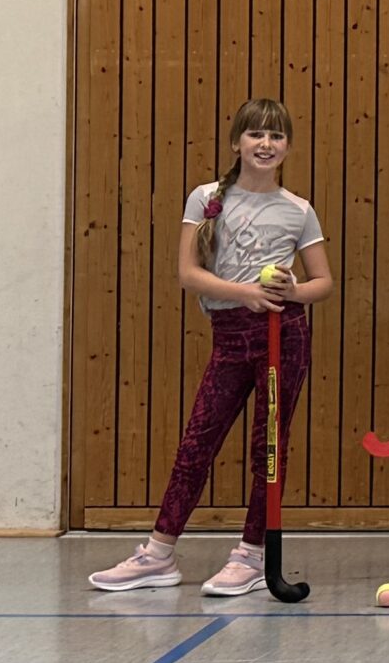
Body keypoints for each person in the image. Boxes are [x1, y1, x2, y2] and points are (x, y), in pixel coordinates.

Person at [90, 98, 337, 597]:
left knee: (268, 447)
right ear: (236, 142)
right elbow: (189, 274)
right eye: (255, 134)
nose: (266, 144)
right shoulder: (205, 198)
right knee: (197, 442)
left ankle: (250, 556)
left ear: (288, 146)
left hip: (283, 336)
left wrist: (292, 291)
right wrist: (245, 293)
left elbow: (324, 283)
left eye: (277, 136)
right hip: (230, 334)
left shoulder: (298, 210)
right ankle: (159, 553)